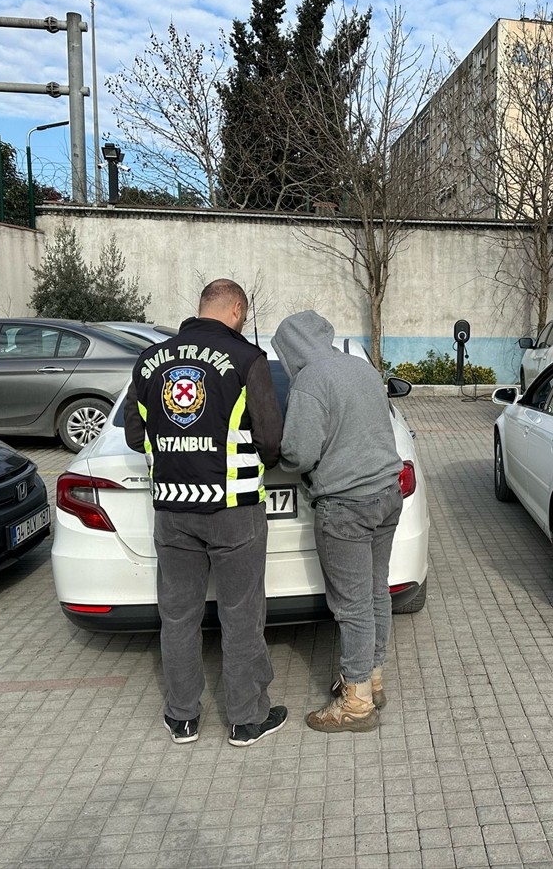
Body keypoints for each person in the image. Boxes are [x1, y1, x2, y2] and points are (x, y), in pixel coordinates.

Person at [124, 279, 287, 747]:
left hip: (172, 507)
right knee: (241, 615)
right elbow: (271, 438)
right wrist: (257, 459)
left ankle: (183, 717)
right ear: (236, 309)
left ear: (201, 308)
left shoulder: (149, 361)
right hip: (233, 508)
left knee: (178, 615)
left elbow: (138, 435)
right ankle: (245, 719)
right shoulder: (245, 359)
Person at [271, 310, 403, 733]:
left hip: (346, 506)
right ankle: (373, 678)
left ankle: (357, 703)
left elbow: (299, 454)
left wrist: (279, 451)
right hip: (387, 494)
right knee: (375, 591)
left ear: (289, 348)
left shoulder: (310, 381)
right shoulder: (361, 368)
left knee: (351, 607)